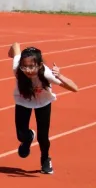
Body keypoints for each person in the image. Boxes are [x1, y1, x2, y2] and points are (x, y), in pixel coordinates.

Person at [8, 43, 78, 174]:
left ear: (39, 65)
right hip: (23, 100)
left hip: (43, 102)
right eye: (24, 66)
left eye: (31, 67)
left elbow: (75, 88)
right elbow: (16, 45)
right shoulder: (18, 68)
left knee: (43, 136)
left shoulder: (46, 74)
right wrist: (10, 53)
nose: (27, 70)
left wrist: (59, 75)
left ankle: (45, 159)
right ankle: (28, 137)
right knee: (21, 134)